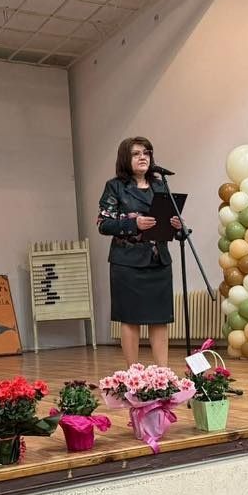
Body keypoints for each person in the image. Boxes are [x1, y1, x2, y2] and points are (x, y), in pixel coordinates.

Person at [97, 136, 182, 367]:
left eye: (146, 153)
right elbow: (103, 224)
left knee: (160, 318)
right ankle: (133, 372)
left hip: (158, 260)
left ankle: (163, 373)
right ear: (125, 158)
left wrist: (176, 226)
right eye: (136, 154)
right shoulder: (115, 186)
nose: (143, 157)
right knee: (130, 319)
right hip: (127, 263)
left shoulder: (160, 185)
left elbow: (166, 221)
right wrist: (133, 224)